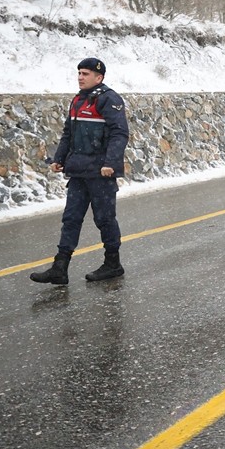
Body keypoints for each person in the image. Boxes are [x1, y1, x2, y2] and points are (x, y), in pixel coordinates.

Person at [30, 57, 130, 285]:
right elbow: (69, 134)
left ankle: (113, 264)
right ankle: (60, 268)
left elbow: (119, 133)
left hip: (100, 173)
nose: (80, 77)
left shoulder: (109, 99)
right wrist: (59, 159)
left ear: (99, 77)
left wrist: (110, 163)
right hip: (78, 172)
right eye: (79, 73)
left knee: (104, 219)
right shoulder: (77, 101)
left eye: (85, 74)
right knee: (71, 219)